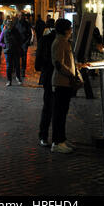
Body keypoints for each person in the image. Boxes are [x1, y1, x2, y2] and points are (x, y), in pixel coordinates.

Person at [51, 18, 82, 154]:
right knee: (59, 114)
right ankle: (57, 142)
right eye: (69, 28)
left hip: (65, 82)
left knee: (63, 113)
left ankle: (62, 140)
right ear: (64, 30)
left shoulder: (64, 42)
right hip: (61, 82)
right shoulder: (60, 43)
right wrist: (71, 74)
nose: (71, 30)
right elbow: (59, 64)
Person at [35, 18, 56, 147]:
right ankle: (56, 137)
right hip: (55, 78)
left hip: (48, 76)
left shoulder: (44, 39)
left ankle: (44, 136)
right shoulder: (63, 41)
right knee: (55, 108)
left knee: (47, 107)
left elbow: (38, 63)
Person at [0, 19, 23, 86]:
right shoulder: (4, 32)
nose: (10, 26)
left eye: (11, 25)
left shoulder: (16, 31)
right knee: (9, 66)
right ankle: (9, 80)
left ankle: (18, 78)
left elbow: (20, 39)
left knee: (17, 65)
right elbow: (0, 41)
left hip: (15, 51)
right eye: (9, 25)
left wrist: (18, 45)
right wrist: (5, 46)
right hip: (8, 51)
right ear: (6, 25)